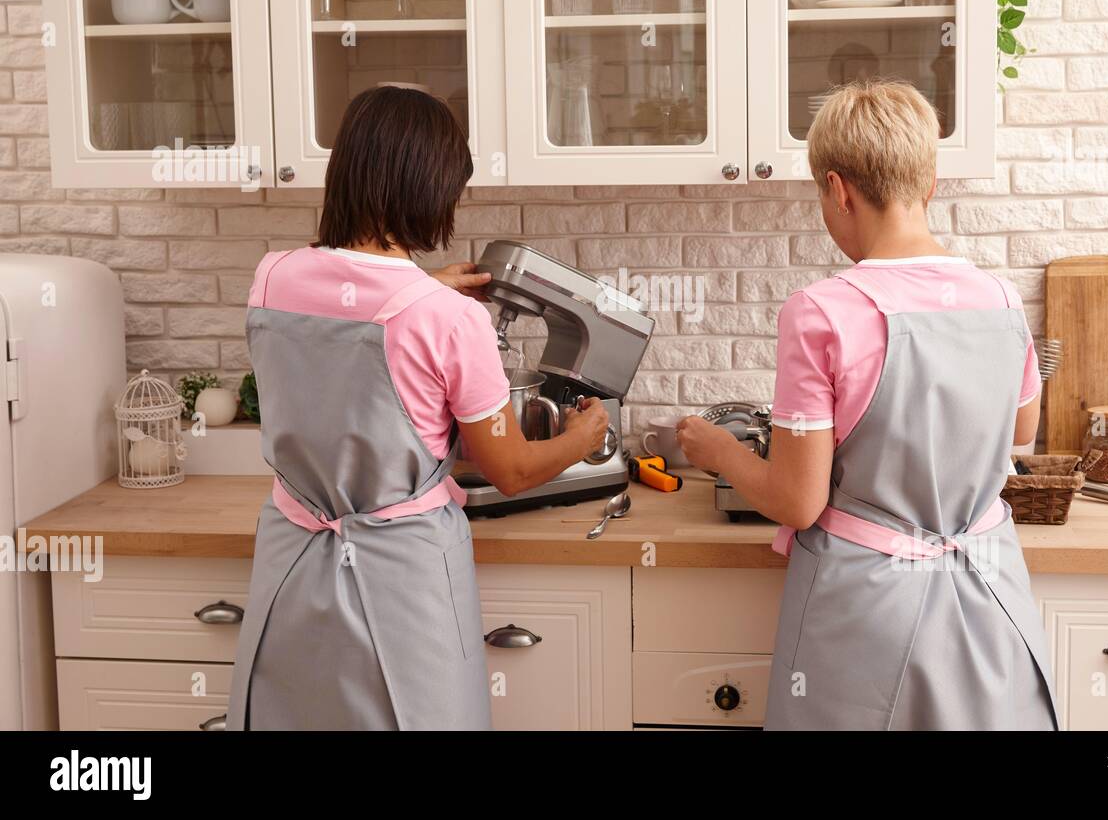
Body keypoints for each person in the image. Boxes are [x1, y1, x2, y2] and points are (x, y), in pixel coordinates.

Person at [676, 80, 1058, 731]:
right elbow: (1021, 430)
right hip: (989, 588)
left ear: (838, 189)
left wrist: (721, 451)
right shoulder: (998, 298)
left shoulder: (821, 312)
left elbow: (798, 501)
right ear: (930, 183)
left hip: (868, 607)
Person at [227, 86, 609, 730]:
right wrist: (584, 434)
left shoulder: (271, 278)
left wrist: (420, 294)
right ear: (427, 190)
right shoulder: (452, 319)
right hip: (403, 577)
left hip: (291, 561)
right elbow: (509, 469)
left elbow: (346, 328)